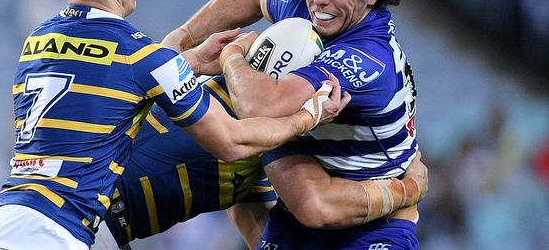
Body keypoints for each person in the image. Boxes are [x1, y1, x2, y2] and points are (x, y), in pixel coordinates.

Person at [0, 0, 345, 250]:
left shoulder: (39, 40)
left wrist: (190, 61)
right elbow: (231, 142)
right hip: (55, 229)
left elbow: (104, 86)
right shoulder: (140, 54)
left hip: (6, 215)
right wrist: (307, 116)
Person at [163, 0, 422, 249]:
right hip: (298, 213)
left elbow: (258, 106)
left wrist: (233, 55)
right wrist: (182, 38)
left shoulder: (367, 57)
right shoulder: (306, 0)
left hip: (372, 223)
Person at [91, 76, 427, 250]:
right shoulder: (234, 117)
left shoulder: (268, 148)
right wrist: (408, 189)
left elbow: (255, 221)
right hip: (86, 220)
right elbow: (234, 143)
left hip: (102, 225)